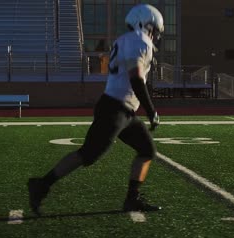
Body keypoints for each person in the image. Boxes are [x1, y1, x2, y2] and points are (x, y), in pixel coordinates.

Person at [28, 4, 164, 216]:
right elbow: (136, 78)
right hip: (115, 108)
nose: (155, 35)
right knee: (89, 154)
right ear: (144, 23)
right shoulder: (140, 41)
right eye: (154, 29)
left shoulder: (125, 40)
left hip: (125, 110)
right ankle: (42, 184)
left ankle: (132, 199)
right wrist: (151, 110)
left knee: (147, 151)